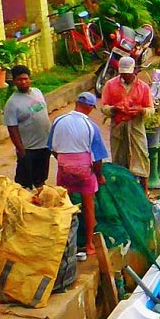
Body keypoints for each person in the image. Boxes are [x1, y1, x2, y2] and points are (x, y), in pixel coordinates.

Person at [48, 91, 108, 258]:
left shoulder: (58, 120)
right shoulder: (91, 126)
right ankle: (89, 244)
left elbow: (52, 148)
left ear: (76, 103)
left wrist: (64, 162)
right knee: (88, 205)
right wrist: (99, 176)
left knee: (64, 204)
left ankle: (63, 242)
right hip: (84, 170)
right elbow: (97, 158)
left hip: (64, 168)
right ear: (89, 107)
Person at [101, 55, 153, 187]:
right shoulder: (110, 85)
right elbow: (104, 107)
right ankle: (121, 188)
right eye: (123, 74)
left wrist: (141, 111)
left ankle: (144, 188)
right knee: (118, 157)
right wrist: (114, 109)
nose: (126, 76)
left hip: (136, 125)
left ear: (134, 71)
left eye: (128, 74)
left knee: (141, 155)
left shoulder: (143, 87)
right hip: (118, 125)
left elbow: (150, 109)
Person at [4, 64, 51, 189]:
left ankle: (41, 202)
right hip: (28, 149)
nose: (23, 82)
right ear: (14, 81)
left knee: (41, 179)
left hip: (45, 145)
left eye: (26, 78)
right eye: (19, 79)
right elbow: (12, 128)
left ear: (30, 79)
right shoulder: (12, 103)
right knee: (23, 184)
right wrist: (21, 150)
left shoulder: (37, 92)